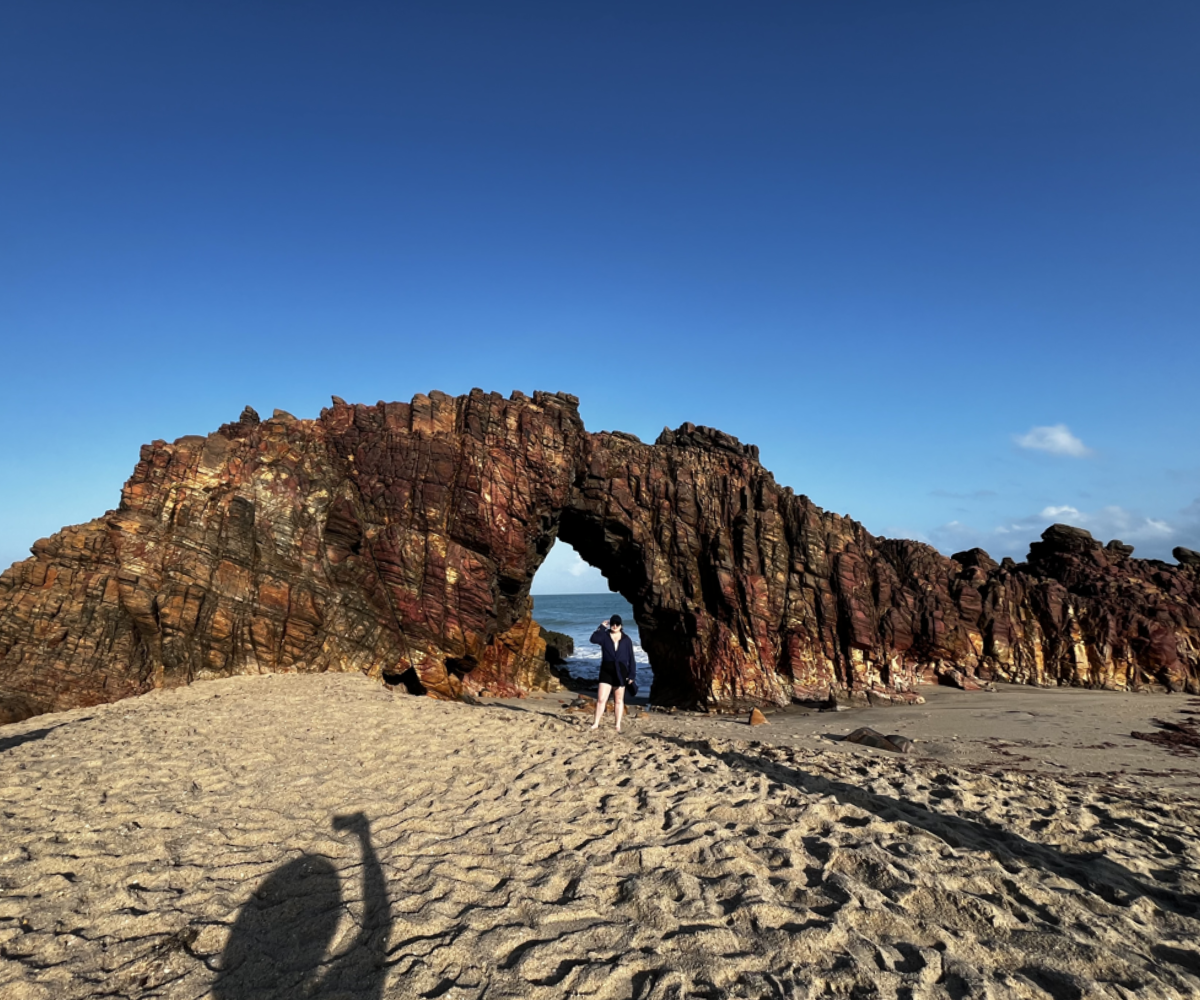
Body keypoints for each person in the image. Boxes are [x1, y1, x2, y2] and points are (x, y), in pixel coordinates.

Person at [589, 614, 636, 732]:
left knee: (618, 700)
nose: (614, 626)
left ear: (621, 625)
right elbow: (593, 639)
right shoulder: (604, 636)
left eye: (617, 624)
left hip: (621, 671)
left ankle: (617, 725)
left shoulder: (626, 639)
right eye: (612, 624)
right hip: (606, 670)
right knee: (601, 699)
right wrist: (601, 627)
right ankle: (595, 723)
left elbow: (631, 658)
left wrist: (632, 674)